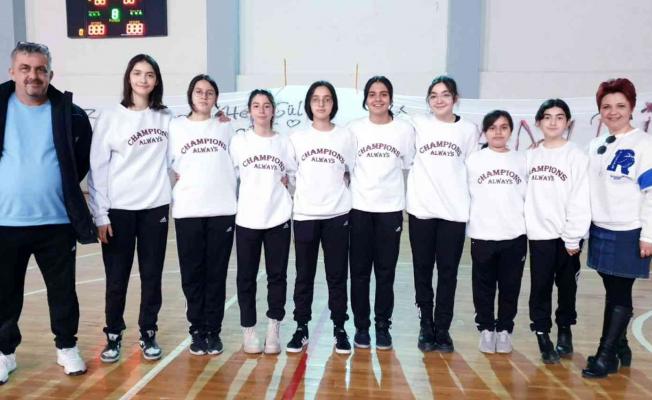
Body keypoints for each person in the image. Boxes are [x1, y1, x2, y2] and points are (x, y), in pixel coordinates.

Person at [0, 41, 95, 382]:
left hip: (56, 221)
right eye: (25, 68)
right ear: (12, 72)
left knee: (63, 291)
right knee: (4, 294)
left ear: (50, 74)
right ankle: (4, 353)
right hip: (5, 222)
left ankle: (67, 347)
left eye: (41, 69)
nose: (33, 75)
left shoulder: (71, 114)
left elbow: (81, 162)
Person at [88, 54, 172, 363]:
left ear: (156, 80)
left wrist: (220, 119)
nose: (143, 79)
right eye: (138, 73)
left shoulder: (165, 117)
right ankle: (113, 335)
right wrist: (100, 214)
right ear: (129, 77)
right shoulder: (110, 117)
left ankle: (148, 332)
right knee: (116, 278)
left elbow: (186, 145)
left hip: (155, 208)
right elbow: (97, 168)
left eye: (149, 74)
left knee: (152, 276)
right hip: (118, 212)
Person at [582, 78, 652, 378]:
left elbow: (651, 192)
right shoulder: (596, 145)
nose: (613, 112)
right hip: (601, 228)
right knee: (612, 290)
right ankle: (621, 348)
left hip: (629, 230)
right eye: (606, 106)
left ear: (632, 107)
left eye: (620, 106)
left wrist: (648, 234)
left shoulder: (645, 144)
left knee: (620, 292)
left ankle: (605, 355)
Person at [406, 76, 479, 352]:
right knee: (422, 270)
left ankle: (443, 327)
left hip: (454, 212)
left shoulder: (468, 130)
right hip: (421, 211)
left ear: (455, 99)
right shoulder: (417, 124)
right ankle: (426, 325)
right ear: (428, 101)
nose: (439, 100)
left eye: (445, 94)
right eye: (434, 95)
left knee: (448, 273)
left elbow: (473, 168)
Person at [168, 74, 236, 356]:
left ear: (216, 98)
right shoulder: (175, 127)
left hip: (222, 210)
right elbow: (168, 164)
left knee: (216, 275)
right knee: (192, 275)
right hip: (188, 210)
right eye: (199, 91)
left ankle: (213, 330)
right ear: (190, 95)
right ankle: (197, 329)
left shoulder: (227, 126)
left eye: (210, 92)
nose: (204, 96)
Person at [286, 81, 354, 354]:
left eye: (327, 99)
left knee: (337, 276)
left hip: (338, 215)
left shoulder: (346, 136)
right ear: (309, 104)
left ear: (333, 103)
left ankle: (340, 328)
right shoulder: (297, 138)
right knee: (304, 275)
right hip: (305, 215)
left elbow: (351, 170)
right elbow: (291, 175)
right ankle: (301, 327)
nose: (322, 103)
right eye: (316, 99)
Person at [348, 76, 415, 350]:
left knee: (386, 273)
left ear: (391, 98)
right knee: (360, 273)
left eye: (383, 93)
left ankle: (383, 326)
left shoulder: (404, 130)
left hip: (390, 210)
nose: (378, 99)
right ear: (366, 99)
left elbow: (408, 163)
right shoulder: (353, 129)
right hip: (359, 209)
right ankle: (361, 327)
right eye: (372, 94)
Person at [524, 99, 590, 364]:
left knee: (567, 287)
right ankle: (542, 334)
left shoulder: (576, 155)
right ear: (539, 122)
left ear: (568, 123)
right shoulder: (529, 155)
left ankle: (565, 329)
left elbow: (581, 197)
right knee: (540, 288)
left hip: (567, 236)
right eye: (547, 117)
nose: (553, 122)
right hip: (539, 235)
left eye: (559, 117)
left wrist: (573, 236)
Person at [230, 89, 295, 354]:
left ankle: (273, 328)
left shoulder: (284, 142)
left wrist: (289, 184)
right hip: (247, 218)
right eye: (256, 105)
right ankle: (249, 329)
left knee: (277, 276)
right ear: (249, 111)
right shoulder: (239, 141)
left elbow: (293, 175)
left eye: (266, 105)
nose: (261, 110)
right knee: (246, 277)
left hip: (278, 217)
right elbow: (228, 173)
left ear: (273, 111)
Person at [466, 110, 527, 354]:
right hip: (482, 234)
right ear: (485, 132)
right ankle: (486, 329)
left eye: (503, 127)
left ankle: (504, 330)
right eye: (492, 128)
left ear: (510, 131)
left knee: (510, 286)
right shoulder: (473, 160)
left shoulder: (522, 159)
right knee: (483, 286)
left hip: (514, 235)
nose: (498, 132)